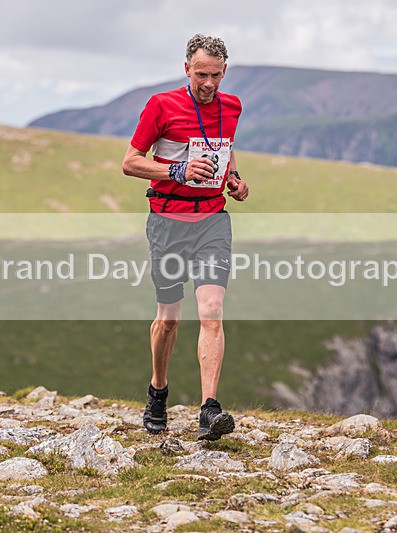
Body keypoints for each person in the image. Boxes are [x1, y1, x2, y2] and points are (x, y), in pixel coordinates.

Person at [121, 34, 250, 440]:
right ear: (186, 69)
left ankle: (209, 410)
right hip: (168, 222)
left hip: (212, 220)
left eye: (215, 75)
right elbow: (130, 163)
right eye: (200, 74)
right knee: (170, 319)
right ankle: (158, 390)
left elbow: (224, 149)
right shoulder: (161, 106)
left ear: (224, 71)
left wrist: (233, 179)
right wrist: (176, 172)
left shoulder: (232, 106)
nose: (209, 84)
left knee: (211, 310)